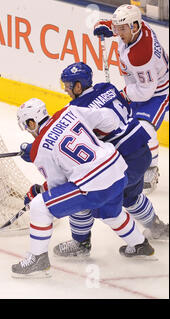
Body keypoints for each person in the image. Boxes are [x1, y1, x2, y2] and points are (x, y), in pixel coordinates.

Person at [11, 98, 155, 278]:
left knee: (40, 206)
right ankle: (140, 244)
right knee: (110, 212)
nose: (29, 131)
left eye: (27, 126)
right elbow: (109, 118)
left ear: (32, 122)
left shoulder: (39, 150)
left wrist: (38, 191)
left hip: (94, 184)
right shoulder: (69, 111)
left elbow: (60, 185)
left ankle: (37, 258)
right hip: (116, 170)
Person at [53, 62, 168, 257]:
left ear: (79, 86)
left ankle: (82, 244)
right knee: (131, 197)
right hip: (142, 150)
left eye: (68, 85)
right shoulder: (108, 87)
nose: (66, 89)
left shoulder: (77, 108)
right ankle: (157, 227)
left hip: (124, 160)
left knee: (86, 197)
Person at [93, 4, 169, 194]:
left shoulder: (141, 55)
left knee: (143, 127)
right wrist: (105, 25)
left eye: (122, 28)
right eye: (117, 28)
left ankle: (150, 169)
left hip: (159, 92)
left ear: (135, 27)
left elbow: (145, 92)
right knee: (121, 121)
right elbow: (119, 25)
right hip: (141, 85)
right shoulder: (135, 28)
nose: (118, 32)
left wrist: (123, 94)